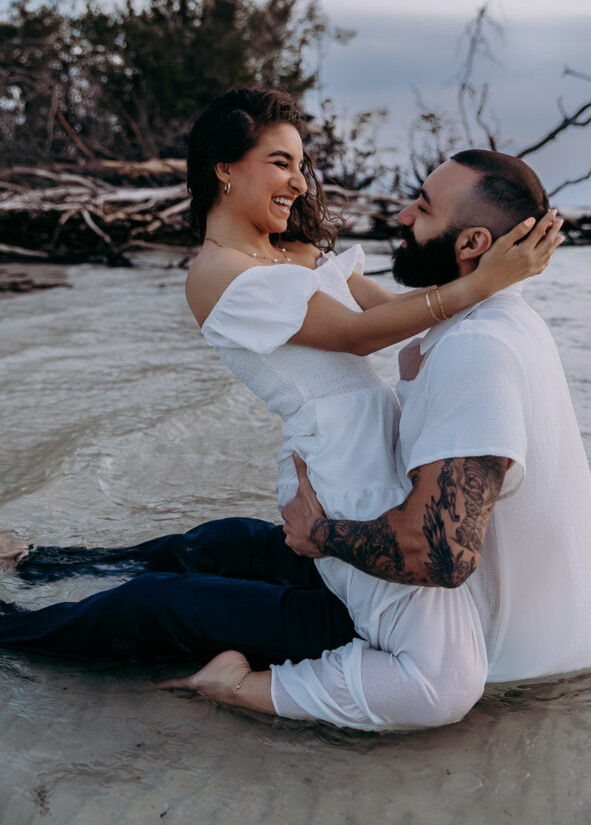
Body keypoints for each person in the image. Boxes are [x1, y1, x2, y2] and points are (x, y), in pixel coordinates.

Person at [0, 88, 560, 731]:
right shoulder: (220, 275)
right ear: (225, 168)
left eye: (301, 164)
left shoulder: (297, 254)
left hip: (366, 447)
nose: (298, 181)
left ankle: (41, 562)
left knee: (222, 545)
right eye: (280, 162)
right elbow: (356, 335)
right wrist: (482, 282)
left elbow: (391, 316)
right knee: (193, 595)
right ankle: (19, 629)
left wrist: (489, 268)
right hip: (341, 462)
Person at [160, 145, 591, 727]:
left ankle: (238, 687)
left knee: (423, 679)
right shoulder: (505, 321)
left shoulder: (476, 348)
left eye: (422, 208)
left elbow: (439, 554)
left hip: (513, 674)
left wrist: (319, 533)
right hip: (564, 654)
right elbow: (379, 327)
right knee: (228, 549)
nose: (401, 215)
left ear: (473, 245)